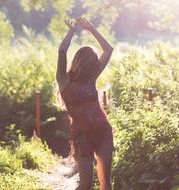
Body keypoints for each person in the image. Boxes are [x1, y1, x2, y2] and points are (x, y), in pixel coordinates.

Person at [56, 17, 115, 190]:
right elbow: (61, 51)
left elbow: (108, 49)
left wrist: (92, 29)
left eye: (94, 61)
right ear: (80, 61)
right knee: (85, 184)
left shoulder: (91, 77)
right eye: (90, 60)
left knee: (106, 182)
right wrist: (72, 30)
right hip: (82, 137)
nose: (93, 64)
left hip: (103, 132)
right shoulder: (64, 80)